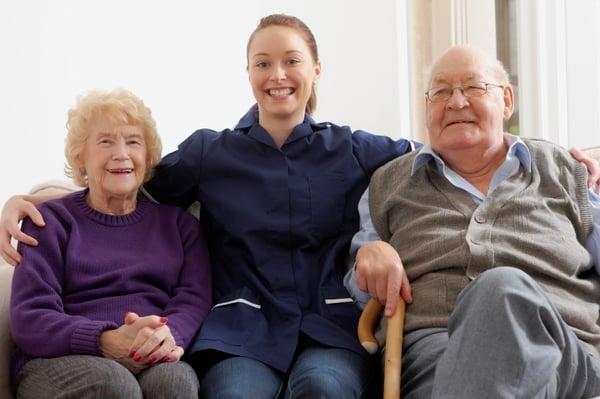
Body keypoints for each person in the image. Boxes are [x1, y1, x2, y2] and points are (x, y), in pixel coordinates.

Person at [1, 16, 599, 399]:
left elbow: (457, 143)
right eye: (262, 62)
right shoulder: (211, 153)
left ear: (315, 73)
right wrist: (35, 198)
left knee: (326, 392)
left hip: (330, 330)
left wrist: (560, 155)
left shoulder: (360, 150)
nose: (277, 74)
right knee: (234, 396)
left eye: (291, 61)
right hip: (240, 332)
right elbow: (126, 180)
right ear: (249, 76)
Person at [345, 45, 600, 398]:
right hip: (437, 352)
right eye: (441, 91)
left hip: (562, 348)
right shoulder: (388, 183)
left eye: (473, 88)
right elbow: (360, 285)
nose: (456, 102)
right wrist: (368, 257)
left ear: (507, 100)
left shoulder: (565, 171)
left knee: (502, 289)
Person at [9, 89, 212, 399]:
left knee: (175, 383)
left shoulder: (180, 226)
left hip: (151, 352)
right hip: (58, 360)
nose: (121, 153)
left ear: (148, 155)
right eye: (105, 141)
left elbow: (194, 299)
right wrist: (104, 339)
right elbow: (30, 316)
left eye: (133, 141)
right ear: (81, 156)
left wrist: (165, 336)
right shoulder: (48, 222)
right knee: (116, 386)